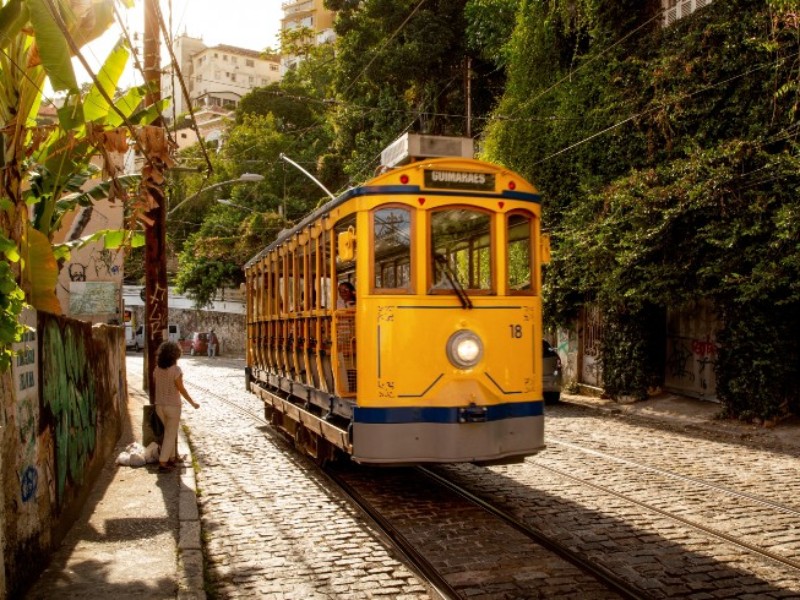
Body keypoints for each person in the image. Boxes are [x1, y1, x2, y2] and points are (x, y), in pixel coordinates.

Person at [153, 341, 199, 472]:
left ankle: (172, 458)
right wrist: (192, 403)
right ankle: (163, 462)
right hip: (173, 406)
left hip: (159, 406)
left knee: (169, 432)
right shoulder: (176, 370)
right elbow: (181, 389)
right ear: (175, 355)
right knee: (170, 434)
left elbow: (157, 382)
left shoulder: (157, 369)